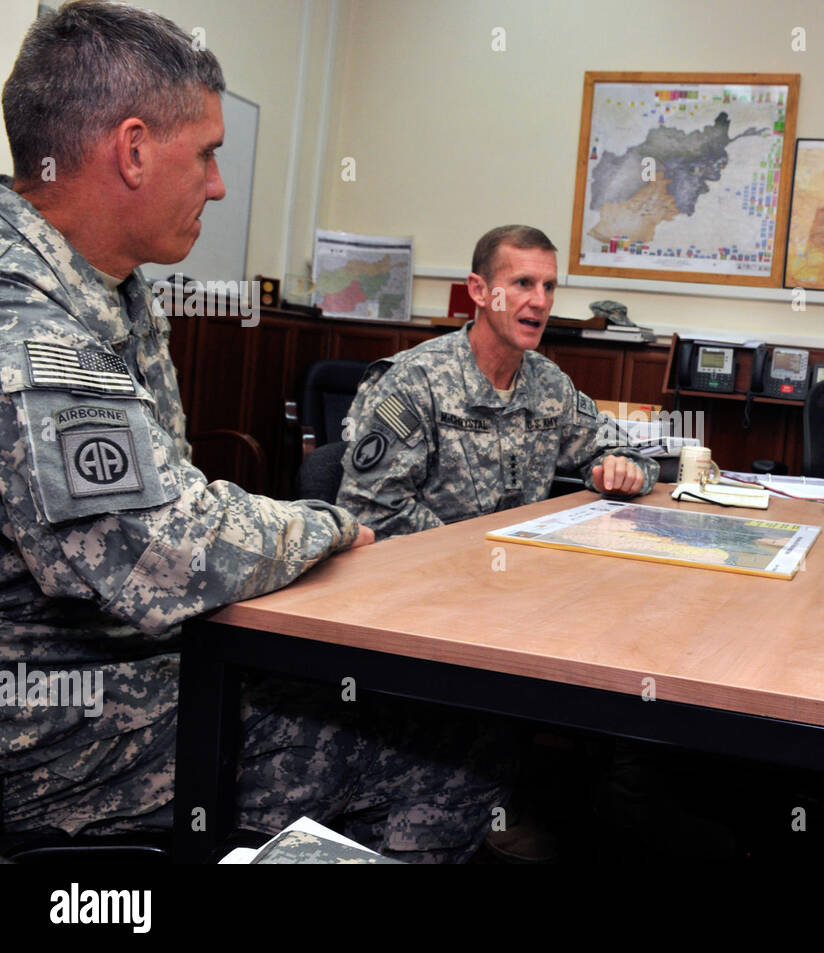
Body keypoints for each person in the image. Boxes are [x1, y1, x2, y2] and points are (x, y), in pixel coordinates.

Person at [0, 1, 509, 862]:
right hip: (50, 720)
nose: (218, 184)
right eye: (205, 154)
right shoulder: (30, 324)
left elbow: (171, 503)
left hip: (126, 657)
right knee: (444, 748)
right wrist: (329, 526)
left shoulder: (108, 287)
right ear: (130, 150)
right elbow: (164, 554)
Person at [336, 225, 658, 539]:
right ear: (479, 291)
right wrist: (471, 550)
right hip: (431, 573)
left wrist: (623, 470)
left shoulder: (549, 383)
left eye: (549, 287)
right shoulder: (413, 381)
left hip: (517, 569)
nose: (541, 301)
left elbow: (626, 454)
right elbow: (370, 509)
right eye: (523, 283)